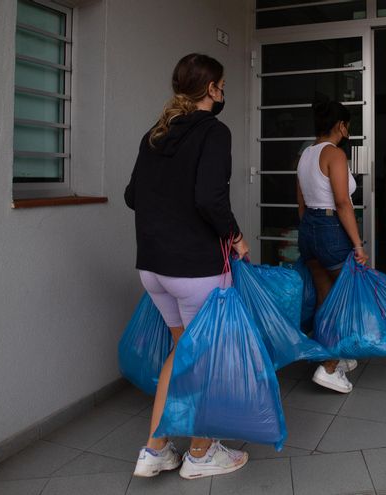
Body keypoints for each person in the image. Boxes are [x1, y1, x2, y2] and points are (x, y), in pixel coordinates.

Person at [124, 53, 250, 478]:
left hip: (153, 268)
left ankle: (155, 449)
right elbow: (209, 198)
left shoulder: (155, 134)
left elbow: (131, 195)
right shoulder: (214, 132)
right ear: (211, 88)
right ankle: (200, 453)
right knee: (205, 358)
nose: (224, 92)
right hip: (195, 270)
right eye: (223, 85)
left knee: (182, 352)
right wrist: (236, 237)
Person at [297, 99, 368, 394]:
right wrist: (357, 244)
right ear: (341, 126)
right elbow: (342, 202)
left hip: (310, 229)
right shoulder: (335, 154)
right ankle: (328, 367)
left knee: (326, 299)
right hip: (330, 229)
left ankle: (333, 354)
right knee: (347, 298)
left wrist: (308, 232)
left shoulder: (304, 155)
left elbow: (301, 202)